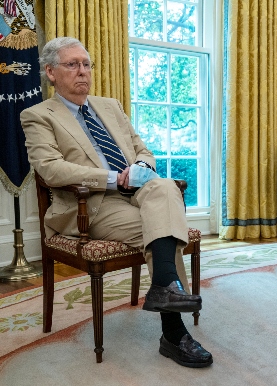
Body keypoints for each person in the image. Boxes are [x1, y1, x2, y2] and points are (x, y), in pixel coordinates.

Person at [20, 37, 212, 368]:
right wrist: (112, 178)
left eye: (86, 64)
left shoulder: (110, 106)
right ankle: (174, 332)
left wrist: (140, 167)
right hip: (89, 205)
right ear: (51, 72)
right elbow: (50, 169)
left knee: (163, 185)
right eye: (72, 64)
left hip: (138, 192)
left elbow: (143, 149)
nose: (82, 71)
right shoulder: (38, 115)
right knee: (164, 227)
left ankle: (164, 288)